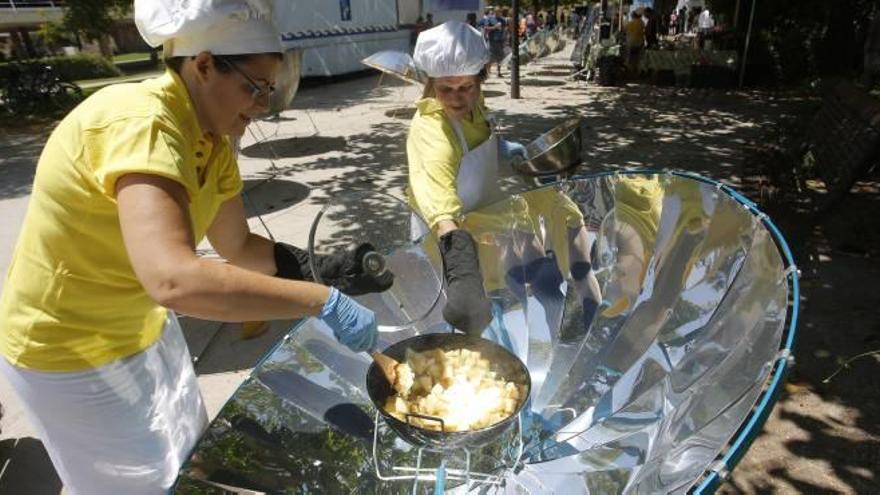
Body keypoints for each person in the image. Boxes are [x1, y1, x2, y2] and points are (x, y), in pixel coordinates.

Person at [0, 1, 392, 493]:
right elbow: (174, 278)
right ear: (203, 65)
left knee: (191, 462)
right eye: (255, 88)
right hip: (70, 351)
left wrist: (326, 270)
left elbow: (238, 246)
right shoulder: (142, 122)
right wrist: (321, 302)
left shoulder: (212, 138)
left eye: (270, 90)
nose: (263, 106)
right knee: (144, 484)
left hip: (142, 328)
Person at [406, 21, 602, 340]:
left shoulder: (474, 108)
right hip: (450, 241)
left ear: (480, 80)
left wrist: (512, 153)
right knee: (483, 328)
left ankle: (573, 324)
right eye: (446, 89)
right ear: (431, 85)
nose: (457, 99)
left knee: (522, 286)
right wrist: (463, 276)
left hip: (482, 221)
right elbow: (441, 208)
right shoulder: (431, 132)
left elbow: (481, 143)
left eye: (466, 87)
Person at [478, 7, 507, 77]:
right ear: (494, 12)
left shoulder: (502, 20)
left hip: (500, 40)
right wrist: (495, 27)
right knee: (490, 57)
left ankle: (499, 72)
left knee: (500, 57)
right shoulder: (490, 18)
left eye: (499, 12)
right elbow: (486, 28)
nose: (498, 13)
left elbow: (504, 29)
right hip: (492, 40)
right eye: (497, 12)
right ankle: (488, 72)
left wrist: (505, 38)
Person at [624, 10, 646, 77]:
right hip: (639, 42)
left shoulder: (630, 23)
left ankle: (631, 72)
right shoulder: (642, 23)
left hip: (631, 42)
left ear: (633, 15)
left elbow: (624, 30)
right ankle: (636, 72)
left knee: (631, 58)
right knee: (638, 58)